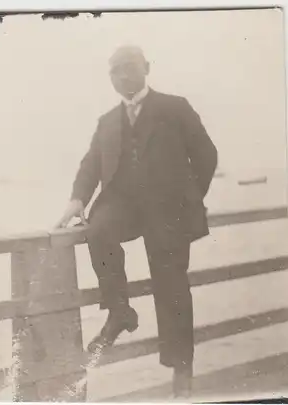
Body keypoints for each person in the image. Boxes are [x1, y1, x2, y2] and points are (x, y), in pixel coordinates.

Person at [55, 45, 218, 398]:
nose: (122, 76)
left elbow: (206, 155)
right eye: (114, 71)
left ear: (146, 67)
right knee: (98, 231)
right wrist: (77, 200)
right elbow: (90, 166)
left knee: (172, 286)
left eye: (129, 68)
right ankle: (119, 311)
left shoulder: (175, 108)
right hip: (124, 205)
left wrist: (189, 200)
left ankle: (181, 373)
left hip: (168, 211)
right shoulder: (107, 122)